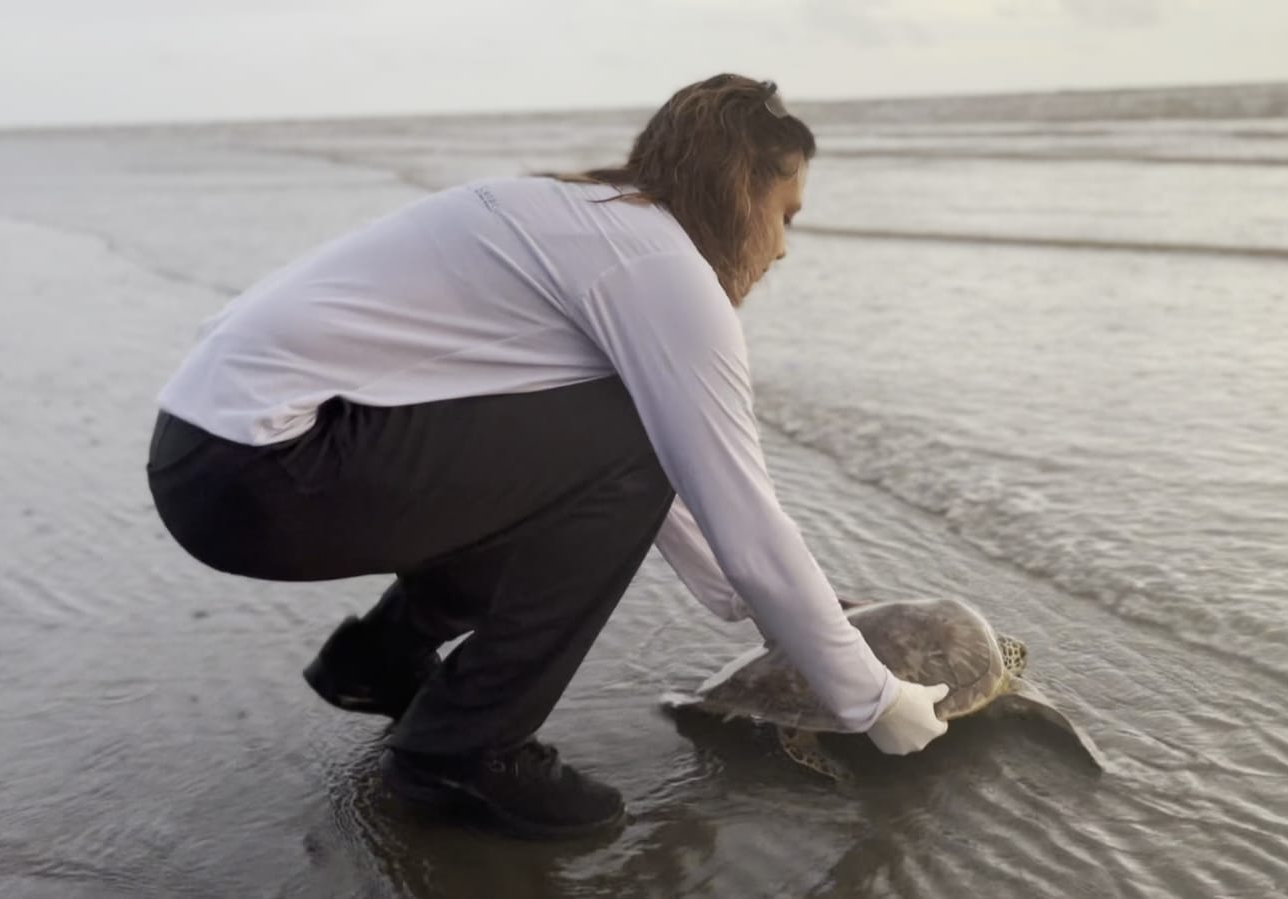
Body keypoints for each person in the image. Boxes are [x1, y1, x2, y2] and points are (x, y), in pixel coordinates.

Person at [145, 74, 950, 840]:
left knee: (613, 443)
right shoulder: (659, 268)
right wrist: (871, 699)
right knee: (631, 439)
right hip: (263, 476)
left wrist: (786, 614)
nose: (781, 249)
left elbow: (614, 475)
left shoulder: (577, 215)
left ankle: (381, 660)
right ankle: (460, 751)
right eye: (786, 214)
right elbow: (727, 502)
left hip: (211, 453)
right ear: (739, 192)